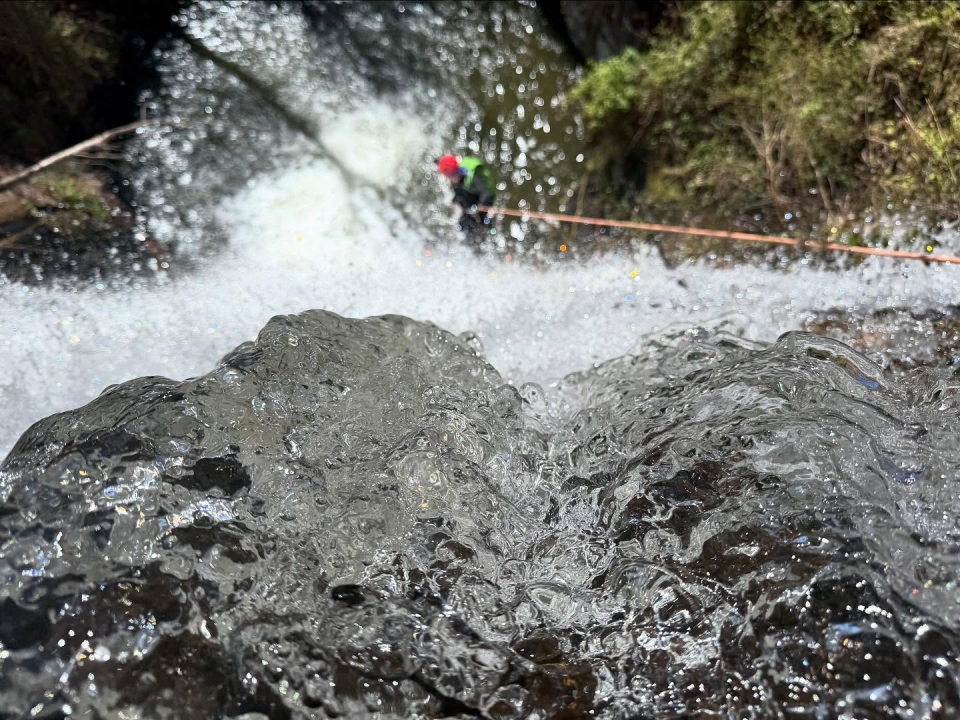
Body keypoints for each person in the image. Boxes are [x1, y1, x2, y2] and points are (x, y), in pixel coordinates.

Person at [436, 153, 496, 247]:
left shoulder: (474, 177)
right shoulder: (457, 170)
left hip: (480, 205)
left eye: (452, 176)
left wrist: (477, 208)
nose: (451, 179)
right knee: (462, 225)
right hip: (469, 205)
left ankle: (479, 248)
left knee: (473, 229)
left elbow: (487, 194)